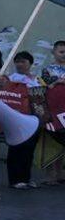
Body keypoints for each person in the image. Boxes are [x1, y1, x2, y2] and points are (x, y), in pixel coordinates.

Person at [6, 51, 41, 189]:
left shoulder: (36, 80)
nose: (20, 64)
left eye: (23, 61)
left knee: (29, 149)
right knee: (16, 148)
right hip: (16, 118)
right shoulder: (11, 79)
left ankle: (26, 178)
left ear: (30, 64)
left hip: (33, 119)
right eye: (17, 61)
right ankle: (15, 179)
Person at [39, 40, 65, 185]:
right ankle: (50, 173)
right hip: (53, 109)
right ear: (53, 52)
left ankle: (60, 171)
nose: (64, 55)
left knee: (63, 140)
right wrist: (56, 82)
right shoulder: (47, 69)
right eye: (61, 52)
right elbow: (44, 86)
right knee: (50, 140)